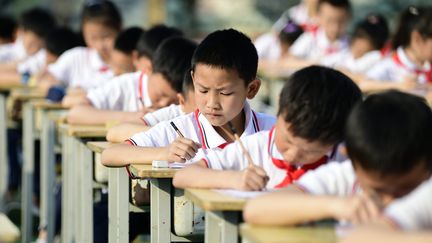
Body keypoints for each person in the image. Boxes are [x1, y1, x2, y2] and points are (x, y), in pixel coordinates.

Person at [243, 90, 432, 226]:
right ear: (350, 157)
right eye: (377, 191)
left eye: (406, 190)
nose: (390, 202)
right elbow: (256, 209)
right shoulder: (343, 177)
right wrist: (334, 205)